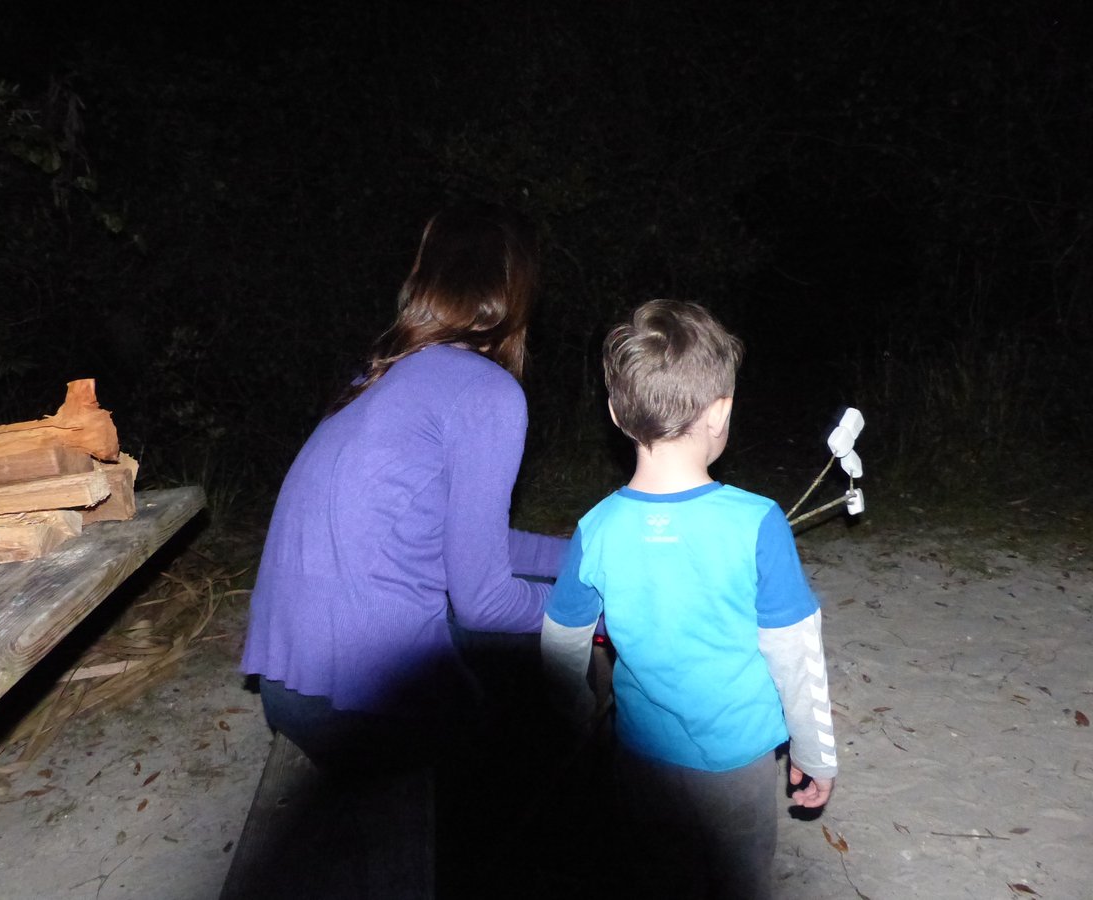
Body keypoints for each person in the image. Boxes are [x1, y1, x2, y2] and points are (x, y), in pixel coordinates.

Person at [242, 201, 567, 774]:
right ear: (516, 289)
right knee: (551, 736)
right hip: (369, 701)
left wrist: (588, 553)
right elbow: (486, 602)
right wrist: (610, 609)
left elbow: (470, 543)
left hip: (290, 680)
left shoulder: (378, 377)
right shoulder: (484, 392)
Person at [541, 300, 837, 900]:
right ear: (721, 410)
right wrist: (814, 749)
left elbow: (560, 644)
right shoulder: (757, 522)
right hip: (737, 767)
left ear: (618, 414)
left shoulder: (596, 527)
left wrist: (569, 728)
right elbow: (794, 651)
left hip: (639, 762)